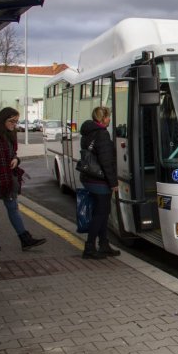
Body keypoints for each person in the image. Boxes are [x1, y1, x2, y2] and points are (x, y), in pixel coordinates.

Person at [0, 107, 46, 251]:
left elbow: (13, 154)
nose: (14, 124)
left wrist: (16, 160)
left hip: (7, 179)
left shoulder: (8, 134)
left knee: (13, 208)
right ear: (2, 119)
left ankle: (25, 239)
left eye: (16, 121)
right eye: (12, 121)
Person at [79, 106, 120, 260]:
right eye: (108, 117)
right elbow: (106, 161)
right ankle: (89, 247)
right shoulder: (102, 134)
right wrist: (113, 183)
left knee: (103, 212)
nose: (110, 119)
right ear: (103, 118)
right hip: (99, 180)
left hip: (89, 177)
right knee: (101, 213)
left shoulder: (88, 132)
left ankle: (104, 244)